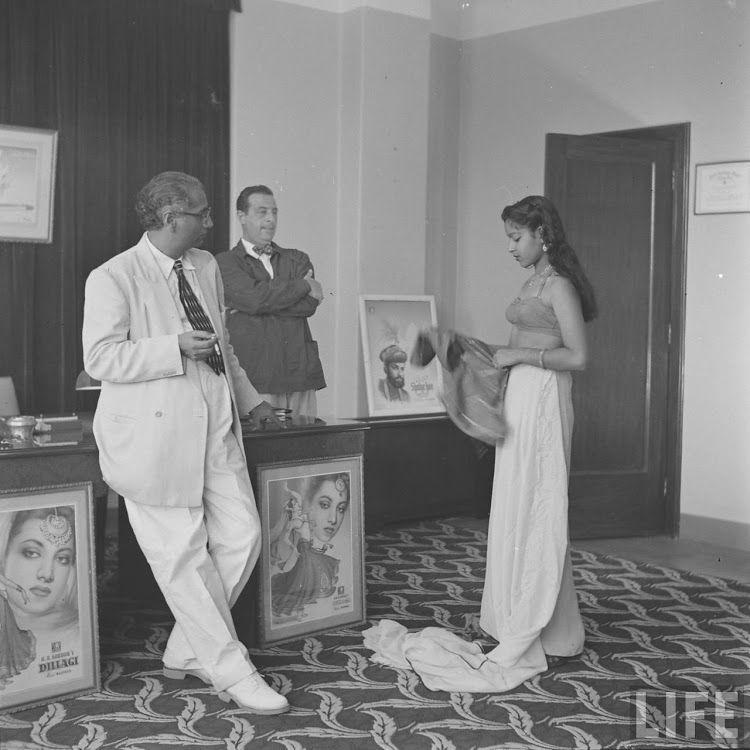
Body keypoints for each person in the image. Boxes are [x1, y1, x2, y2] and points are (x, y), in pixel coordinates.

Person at [363, 195, 596, 692]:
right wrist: (473, 350)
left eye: (517, 237)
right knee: (516, 502)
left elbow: (577, 357)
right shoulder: (532, 281)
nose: (510, 247)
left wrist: (519, 354)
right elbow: (515, 351)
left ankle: (545, 624)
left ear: (542, 236)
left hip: (547, 399)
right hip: (523, 394)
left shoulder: (560, 286)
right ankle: (545, 625)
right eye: (508, 237)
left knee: (538, 504)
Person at [82, 171, 289, 714]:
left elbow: (223, 345)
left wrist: (251, 401)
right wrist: (172, 346)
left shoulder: (204, 267)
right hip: (152, 437)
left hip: (214, 423)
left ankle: (186, 645)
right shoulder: (113, 276)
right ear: (174, 219)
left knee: (242, 533)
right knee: (182, 556)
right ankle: (229, 667)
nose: (212, 221)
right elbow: (100, 358)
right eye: (203, 213)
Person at [216, 185, 325, 418]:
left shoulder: (297, 258)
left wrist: (256, 304)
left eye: (274, 212)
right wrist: (304, 286)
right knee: (262, 449)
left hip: (300, 374)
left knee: (305, 447)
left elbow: (309, 305)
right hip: (256, 377)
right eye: (262, 212)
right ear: (241, 216)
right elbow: (255, 300)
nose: (270, 219)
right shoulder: (224, 263)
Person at [0, 507, 77, 691]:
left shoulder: (81, 633)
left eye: (63, 558)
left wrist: (20, 590)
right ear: (4, 552)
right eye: (32, 553)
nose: (47, 574)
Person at [269, 473, 350, 618]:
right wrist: (292, 548)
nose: (333, 519)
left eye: (341, 508)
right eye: (324, 505)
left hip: (309, 550)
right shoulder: (295, 522)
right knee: (304, 576)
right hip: (303, 551)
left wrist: (288, 490)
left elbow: (299, 499)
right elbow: (285, 536)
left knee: (316, 570)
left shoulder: (303, 517)